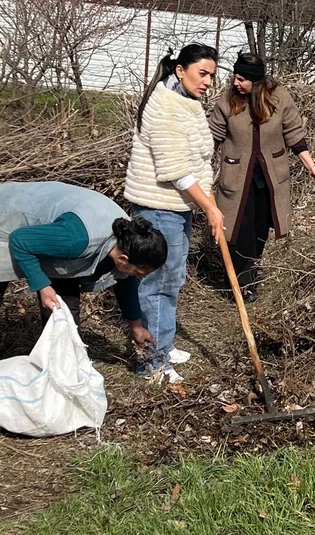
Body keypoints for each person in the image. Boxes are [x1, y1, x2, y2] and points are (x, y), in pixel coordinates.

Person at [0, 181, 168, 381]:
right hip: (4, 222)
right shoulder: (77, 239)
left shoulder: (128, 238)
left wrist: (136, 327)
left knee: (65, 315)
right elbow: (20, 240)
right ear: (124, 258)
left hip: (52, 233)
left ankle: (60, 379)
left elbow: (124, 280)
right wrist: (42, 285)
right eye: (139, 271)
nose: (139, 276)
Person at [123, 43, 222, 384]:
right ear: (180, 70)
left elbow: (198, 162)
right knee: (158, 285)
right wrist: (209, 207)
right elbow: (176, 170)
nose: (208, 81)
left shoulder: (187, 102)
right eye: (202, 73)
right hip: (158, 208)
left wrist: (210, 205)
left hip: (177, 207)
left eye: (212, 75)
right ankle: (153, 362)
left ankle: (163, 344)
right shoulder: (164, 106)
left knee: (172, 279)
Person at [208, 52, 315, 303]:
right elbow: (211, 137)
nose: (235, 83)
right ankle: (241, 282)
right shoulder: (227, 101)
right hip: (238, 178)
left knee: (261, 227)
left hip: (270, 177)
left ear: (255, 80)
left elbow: (294, 132)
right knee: (238, 230)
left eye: (241, 79)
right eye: (235, 78)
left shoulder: (279, 97)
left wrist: (311, 166)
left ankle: (250, 276)